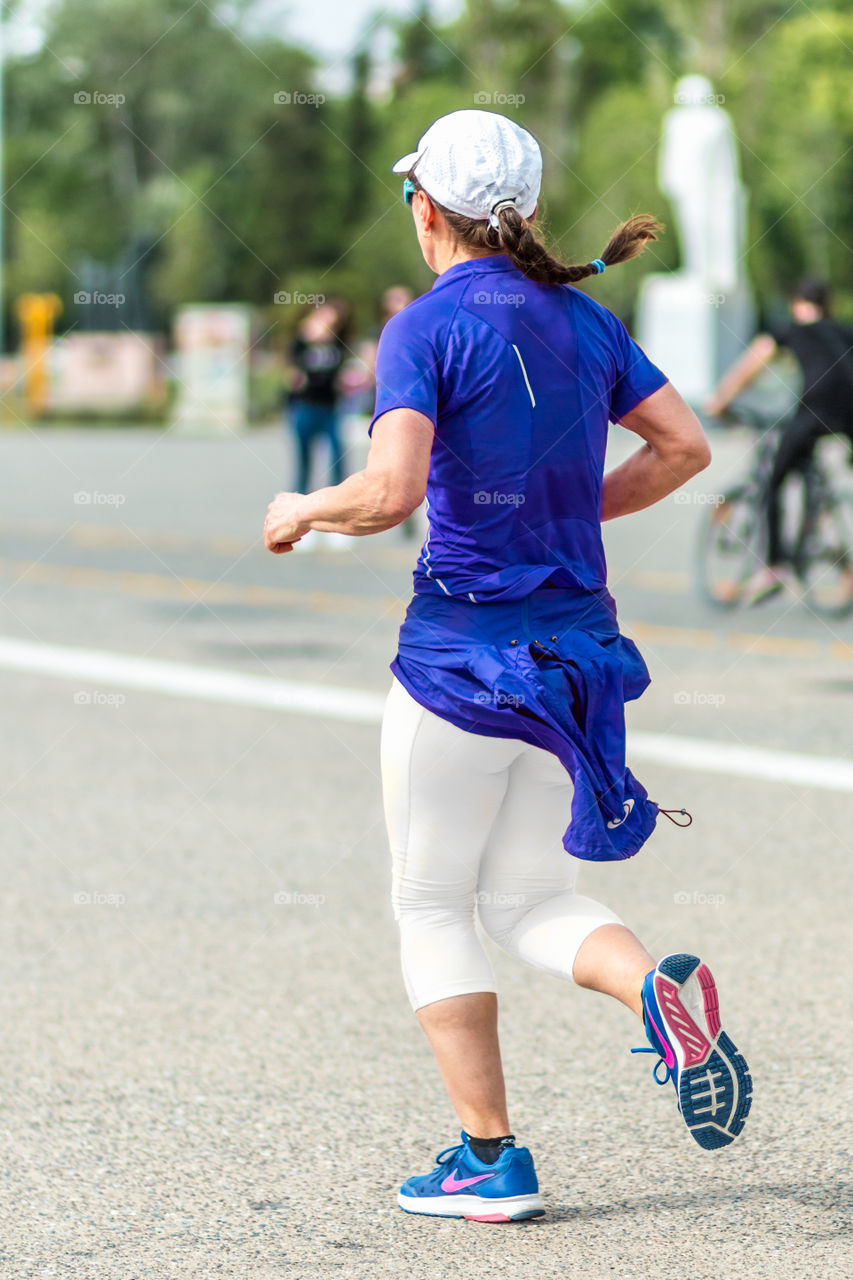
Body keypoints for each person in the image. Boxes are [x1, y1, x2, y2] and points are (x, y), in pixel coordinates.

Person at [264, 109, 753, 1223]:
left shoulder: (425, 328)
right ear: (522, 213)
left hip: (464, 659)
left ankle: (490, 1158)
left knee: (432, 900)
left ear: (424, 209)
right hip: (575, 656)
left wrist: (302, 507)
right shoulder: (585, 322)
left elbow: (388, 494)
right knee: (529, 894)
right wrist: (574, 506)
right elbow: (683, 445)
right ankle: (655, 988)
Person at [706, 277, 853, 603]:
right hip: (849, 414)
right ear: (826, 305)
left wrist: (720, 400)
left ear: (794, 303)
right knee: (808, 458)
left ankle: (775, 566)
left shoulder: (788, 328)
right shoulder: (843, 330)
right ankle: (822, 516)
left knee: (773, 480)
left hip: (815, 408)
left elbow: (750, 366)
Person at [285, 300, 349, 494]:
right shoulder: (301, 342)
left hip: (330, 406)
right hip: (305, 405)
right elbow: (292, 374)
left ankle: (337, 495)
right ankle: (299, 496)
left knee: (337, 453)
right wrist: (310, 338)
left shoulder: (337, 344)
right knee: (304, 457)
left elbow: (340, 373)